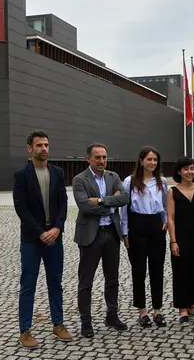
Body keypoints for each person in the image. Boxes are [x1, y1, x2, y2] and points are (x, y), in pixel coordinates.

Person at [13, 130, 73, 349]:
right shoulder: (21, 175)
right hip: (32, 239)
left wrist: (57, 228)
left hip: (54, 238)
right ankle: (25, 331)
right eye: (39, 145)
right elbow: (21, 207)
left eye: (46, 145)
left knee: (55, 283)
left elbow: (63, 203)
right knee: (28, 284)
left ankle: (58, 324)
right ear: (30, 148)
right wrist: (40, 232)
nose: (44, 149)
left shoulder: (57, 172)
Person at [72, 143, 130, 338]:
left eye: (104, 157)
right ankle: (86, 320)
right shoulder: (80, 180)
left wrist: (100, 200)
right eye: (97, 157)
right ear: (88, 158)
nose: (102, 161)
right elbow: (85, 206)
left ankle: (112, 315)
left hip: (111, 234)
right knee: (86, 280)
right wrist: (110, 204)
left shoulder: (113, 177)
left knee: (112, 278)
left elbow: (124, 198)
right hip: (90, 235)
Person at [120, 146, 169, 328]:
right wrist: (124, 233)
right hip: (137, 226)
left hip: (156, 226)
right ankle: (142, 311)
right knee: (138, 271)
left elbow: (164, 205)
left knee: (157, 269)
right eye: (149, 159)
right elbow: (124, 209)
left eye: (155, 160)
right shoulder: (130, 181)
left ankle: (157, 310)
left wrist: (165, 224)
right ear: (141, 161)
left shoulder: (162, 181)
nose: (152, 163)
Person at [166, 156, 194, 324]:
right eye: (186, 169)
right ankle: (183, 309)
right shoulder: (172, 191)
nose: (189, 172)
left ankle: (193, 307)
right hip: (181, 237)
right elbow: (170, 218)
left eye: (192, 169)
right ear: (179, 171)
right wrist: (173, 241)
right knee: (181, 272)